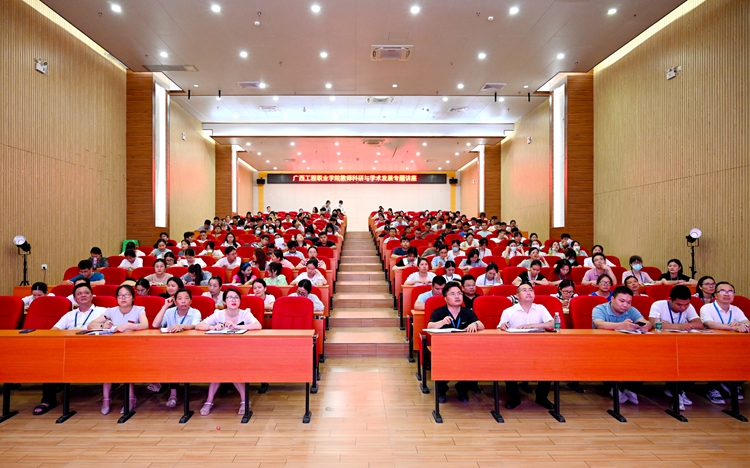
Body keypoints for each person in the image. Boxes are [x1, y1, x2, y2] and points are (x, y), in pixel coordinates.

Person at [32, 283, 105, 415]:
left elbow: (109, 328)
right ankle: (48, 400)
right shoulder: (70, 315)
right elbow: (54, 330)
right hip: (69, 349)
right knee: (50, 360)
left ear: (92, 296)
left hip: (94, 349)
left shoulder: (103, 311)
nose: (83, 295)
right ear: (75, 298)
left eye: (86, 293)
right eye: (79, 294)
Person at [195, 288, 261, 416]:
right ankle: (209, 401)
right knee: (220, 367)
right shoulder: (218, 314)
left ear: (240, 301)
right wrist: (212, 327)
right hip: (222, 351)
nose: (233, 300)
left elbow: (257, 325)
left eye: (236, 297)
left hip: (242, 351)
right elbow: (199, 326)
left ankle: (244, 400)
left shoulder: (245, 313)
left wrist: (237, 326)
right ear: (225, 301)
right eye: (230, 297)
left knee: (231, 367)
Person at [87, 285, 148, 414]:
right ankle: (106, 399)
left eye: (127, 295)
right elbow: (91, 325)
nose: (123, 298)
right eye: (120, 295)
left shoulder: (139, 309)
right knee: (107, 366)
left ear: (133, 297)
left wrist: (129, 326)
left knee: (128, 365)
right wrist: (103, 325)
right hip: (113, 347)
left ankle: (131, 398)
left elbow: (145, 325)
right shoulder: (110, 311)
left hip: (133, 348)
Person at [498, 283, 554, 409]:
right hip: (515, 349)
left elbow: (552, 323)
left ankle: (542, 397)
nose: (529, 292)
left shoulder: (540, 308)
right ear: (517, 295)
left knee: (549, 363)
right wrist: (502, 326)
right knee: (508, 364)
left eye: (531, 290)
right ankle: (514, 398)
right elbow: (501, 328)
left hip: (538, 348)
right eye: (524, 290)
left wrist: (532, 325)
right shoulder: (509, 311)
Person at [427, 281, 485, 402]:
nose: (457, 296)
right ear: (445, 298)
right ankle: (442, 389)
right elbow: (430, 326)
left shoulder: (467, 312)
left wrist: (475, 324)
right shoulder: (439, 312)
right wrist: (442, 322)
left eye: (459, 293)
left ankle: (462, 388)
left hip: (465, 349)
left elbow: (481, 325)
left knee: (475, 362)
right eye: (453, 294)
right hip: (444, 349)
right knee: (441, 362)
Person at [592, 286, 651, 404]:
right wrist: (621, 325)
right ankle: (612, 388)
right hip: (603, 346)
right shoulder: (600, 308)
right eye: (622, 301)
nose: (625, 305)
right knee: (606, 358)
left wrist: (646, 326)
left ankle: (631, 388)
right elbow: (600, 324)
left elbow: (646, 322)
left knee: (646, 356)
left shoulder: (632, 310)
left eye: (629, 302)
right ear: (612, 299)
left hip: (628, 347)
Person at [148, 288, 202, 407]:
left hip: (189, 347)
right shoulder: (169, 312)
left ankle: (171, 392)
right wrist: (165, 306)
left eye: (186, 298)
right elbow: (155, 325)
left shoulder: (195, 312)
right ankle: (167, 388)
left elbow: (196, 325)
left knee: (174, 358)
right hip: (169, 347)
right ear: (175, 301)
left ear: (191, 301)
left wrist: (181, 326)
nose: (183, 301)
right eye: (180, 298)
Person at [700, 282, 749, 404]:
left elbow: (747, 322)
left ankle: (730, 383)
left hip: (734, 346)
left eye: (730, 291)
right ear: (716, 295)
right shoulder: (707, 308)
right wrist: (732, 327)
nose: (727, 294)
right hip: (711, 345)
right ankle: (713, 387)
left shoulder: (735, 309)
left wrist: (741, 324)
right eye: (723, 291)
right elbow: (709, 324)